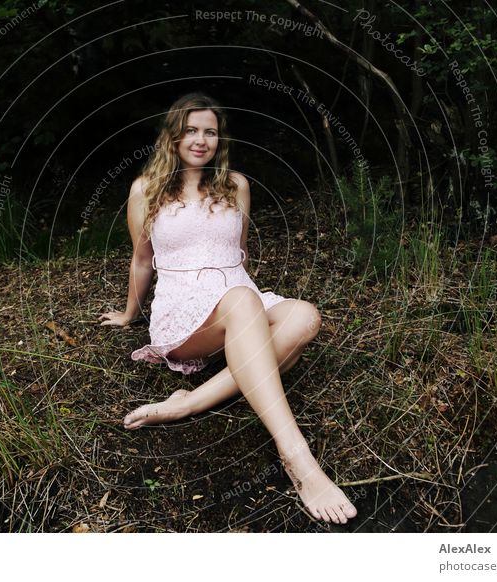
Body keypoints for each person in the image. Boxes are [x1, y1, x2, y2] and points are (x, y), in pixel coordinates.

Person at [98, 93, 357, 525]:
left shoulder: (236, 185)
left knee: (304, 315)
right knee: (242, 300)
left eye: (210, 132)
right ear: (174, 134)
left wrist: (252, 303)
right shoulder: (146, 189)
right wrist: (129, 315)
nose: (201, 139)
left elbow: (240, 253)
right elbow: (142, 259)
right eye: (192, 130)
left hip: (239, 299)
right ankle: (299, 459)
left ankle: (190, 401)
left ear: (220, 138)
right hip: (184, 312)